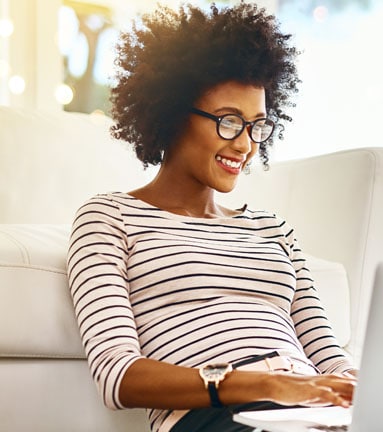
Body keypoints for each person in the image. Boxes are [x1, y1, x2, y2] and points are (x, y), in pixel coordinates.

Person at [66, 3, 357, 432]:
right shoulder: (110, 218)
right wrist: (264, 385)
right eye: (228, 122)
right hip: (215, 416)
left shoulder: (272, 229)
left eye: (257, 125)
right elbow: (117, 376)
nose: (245, 145)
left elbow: (328, 354)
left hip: (309, 410)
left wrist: (364, 386)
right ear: (172, 114)